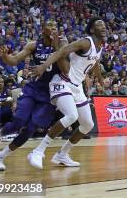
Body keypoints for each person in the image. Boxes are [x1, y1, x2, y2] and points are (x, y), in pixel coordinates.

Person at [0, 20, 66, 171]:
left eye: (55, 26)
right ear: (43, 29)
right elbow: (14, 60)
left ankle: (0, 157)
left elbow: (66, 69)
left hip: (50, 95)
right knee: (19, 121)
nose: (53, 28)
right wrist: (5, 56)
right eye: (50, 26)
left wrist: (57, 48)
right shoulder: (34, 45)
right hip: (32, 90)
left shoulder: (62, 44)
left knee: (29, 130)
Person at [27, 17, 106, 169]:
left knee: (88, 124)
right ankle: (38, 151)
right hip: (62, 82)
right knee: (71, 116)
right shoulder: (85, 42)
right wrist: (43, 66)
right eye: (98, 24)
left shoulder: (100, 46)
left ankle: (62, 154)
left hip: (77, 87)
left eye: (103, 24)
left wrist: (100, 79)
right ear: (91, 29)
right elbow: (62, 51)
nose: (103, 26)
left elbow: (95, 62)